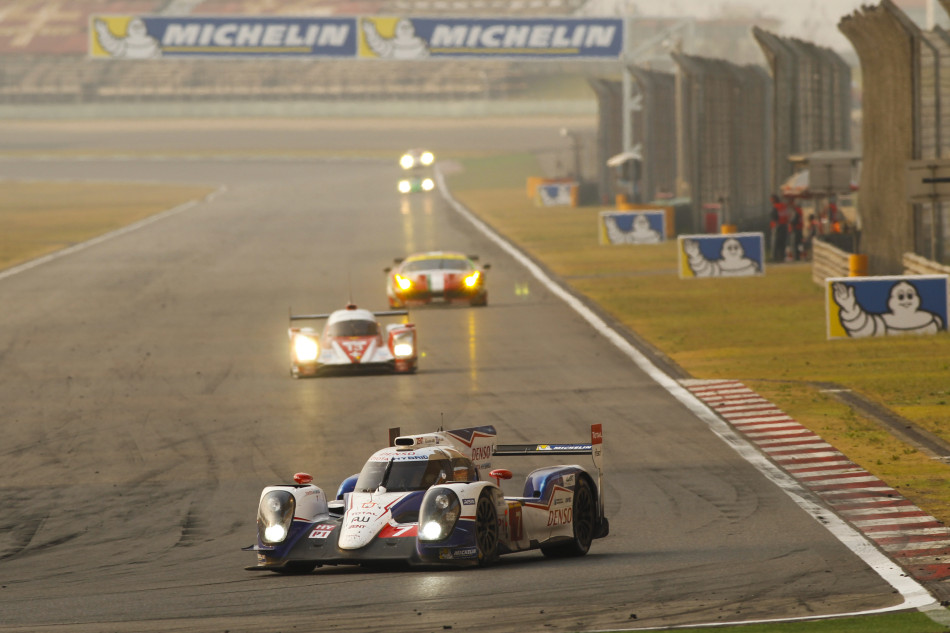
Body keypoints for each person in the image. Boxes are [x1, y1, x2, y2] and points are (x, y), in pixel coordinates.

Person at [769, 194, 788, 262]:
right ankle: (782, 257)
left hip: (777, 226)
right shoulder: (784, 206)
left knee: (775, 242)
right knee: (782, 243)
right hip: (784, 226)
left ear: (774, 200)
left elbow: (774, 216)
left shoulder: (775, 207)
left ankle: (774, 257)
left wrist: (775, 224)